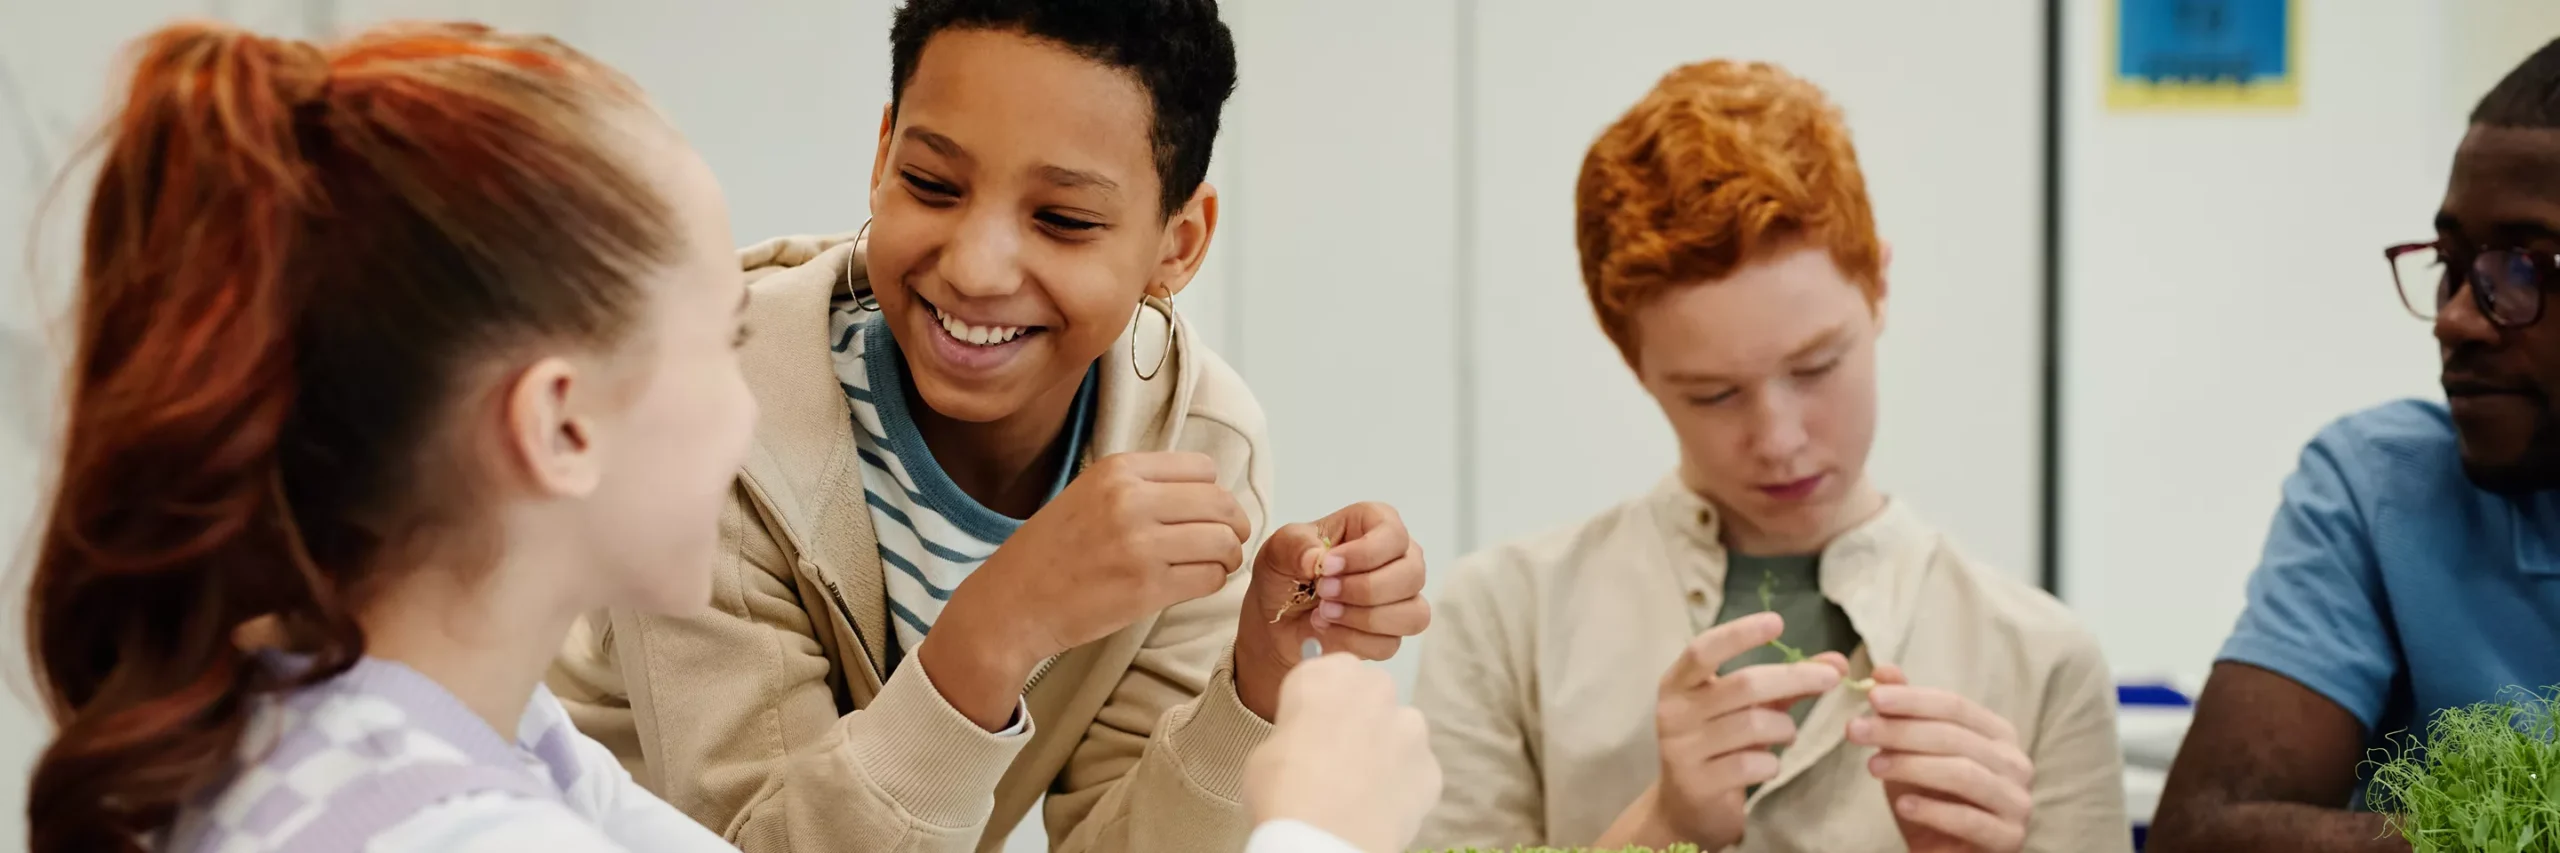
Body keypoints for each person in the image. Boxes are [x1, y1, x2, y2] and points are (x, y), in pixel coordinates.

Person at [21, 18, 1420, 853]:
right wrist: (1314, 830)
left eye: (1061, 217)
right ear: (563, 424)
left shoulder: (512, 749)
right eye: (709, 339)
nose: (758, 390)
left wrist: (1251, 708)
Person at [544, 1, 1432, 851]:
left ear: (1180, 242)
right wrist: (1002, 622)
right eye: (932, 185)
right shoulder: (712, 417)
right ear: (883, 154)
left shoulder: (1197, 441)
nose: (974, 268)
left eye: (1063, 219)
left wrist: (1259, 679)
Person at [1410, 59, 2130, 853]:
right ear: (1634, 364)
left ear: (1878, 288)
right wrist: (1662, 828)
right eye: (1714, 395)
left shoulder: (2042, 660)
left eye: (1817, 367)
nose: (1780, 439)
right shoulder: (1506, 618)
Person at [2147, 37, 2560, 853]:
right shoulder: (2382, 487)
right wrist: (2517, 829)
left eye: (2523, 267)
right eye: (2451, 263)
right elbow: (2203, 836)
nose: (2452, 317)